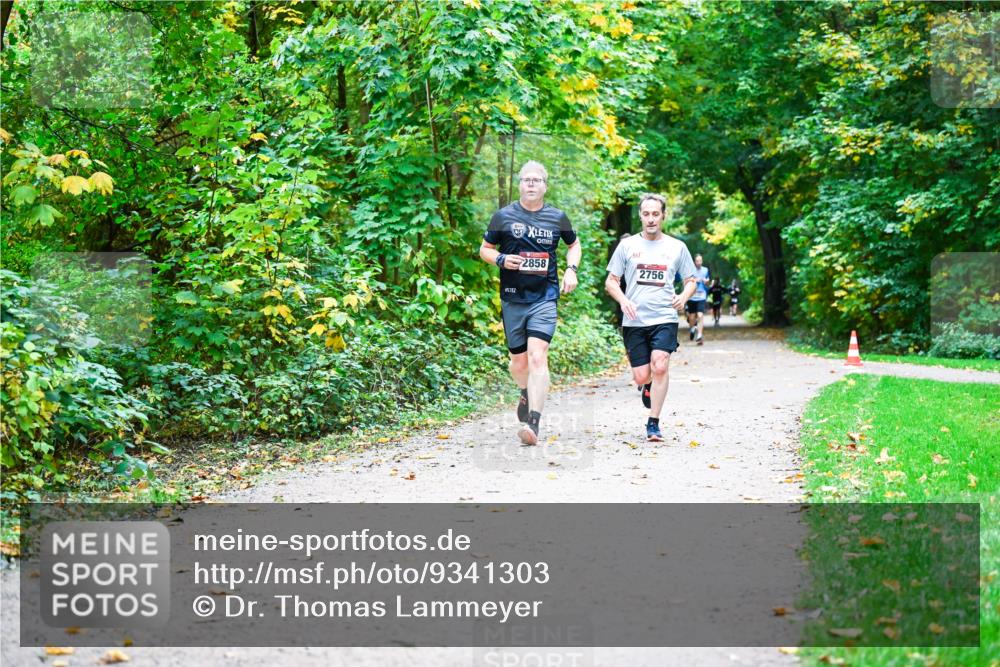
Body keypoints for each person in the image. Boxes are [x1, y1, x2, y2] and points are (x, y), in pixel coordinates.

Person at [479, 161, 581, 446]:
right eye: (527, 180)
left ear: (545, 185)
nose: (532, 184)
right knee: (518, 361)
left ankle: (533, 422)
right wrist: (500, 259)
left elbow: (574, 245)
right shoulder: (503, 217)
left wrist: (571, 270)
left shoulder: (557, 218)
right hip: (513, 297)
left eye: (537, 180)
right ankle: (525, 390)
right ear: (520, 184)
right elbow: (484, 249)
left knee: (538, 356)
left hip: (545, 297)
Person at [605, 193, 697, 442]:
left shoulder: (677, 247)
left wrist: (684, 297)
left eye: (655, 214)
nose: (651, 219)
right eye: (646, 214)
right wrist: (624, 301)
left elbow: (691, 280)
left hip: (664, 316)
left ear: (663, 216)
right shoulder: (627, 247)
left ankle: (653, 423)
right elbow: (611, 282)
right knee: (642, 375)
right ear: (640, 216)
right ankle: (646, 386)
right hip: (634, 320)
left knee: (660, 365)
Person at [685, 254, 710, 345]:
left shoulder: (705, 270)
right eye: (697, 261)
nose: (699, 263)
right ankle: (692, 329)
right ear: (694, 262)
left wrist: (706, 281)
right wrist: (695, 280)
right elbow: (686, 281)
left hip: (701, 296)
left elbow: (708, 282)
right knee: (692, 317)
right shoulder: (690, 269)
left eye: (700, 261)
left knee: (700, 315)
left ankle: (699, 335)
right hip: (692, 296)